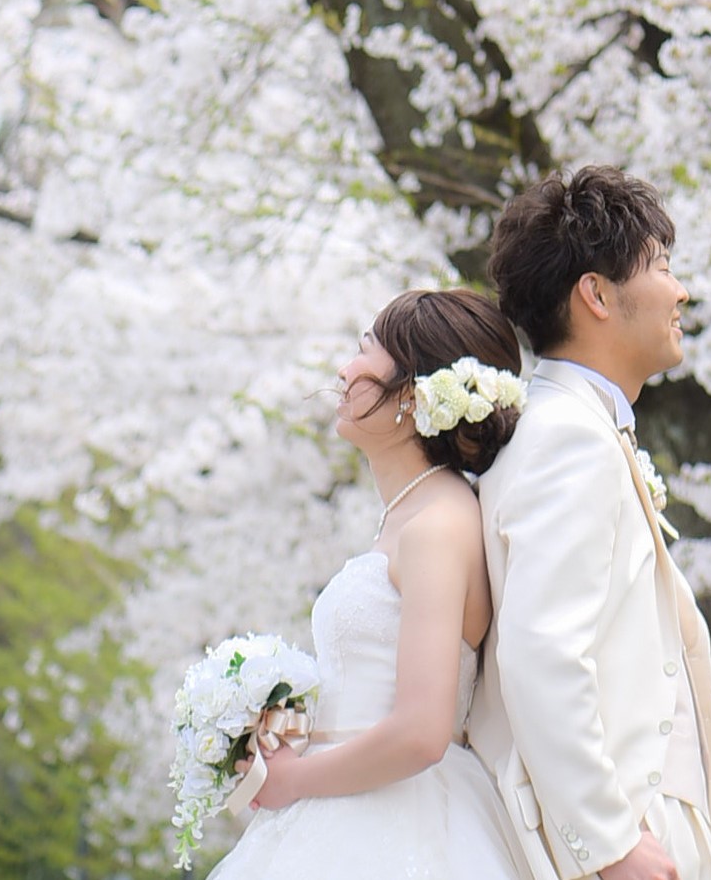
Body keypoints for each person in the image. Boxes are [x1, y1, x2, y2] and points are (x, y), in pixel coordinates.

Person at [213, 288, 531, 880]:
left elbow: (421, 732)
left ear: (411, 395)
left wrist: (292, 781)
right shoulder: (418, 514)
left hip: (394, 820)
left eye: (366, 352)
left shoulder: (437, 526)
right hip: (358, 807)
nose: (344, 369)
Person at [468, 165, 711, 880]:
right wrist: (610, 845)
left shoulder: (566, 428)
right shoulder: (569, 440)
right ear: (596, 295)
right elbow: (542, 650)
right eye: (663, 267)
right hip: (614, 843)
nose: (681, 291)